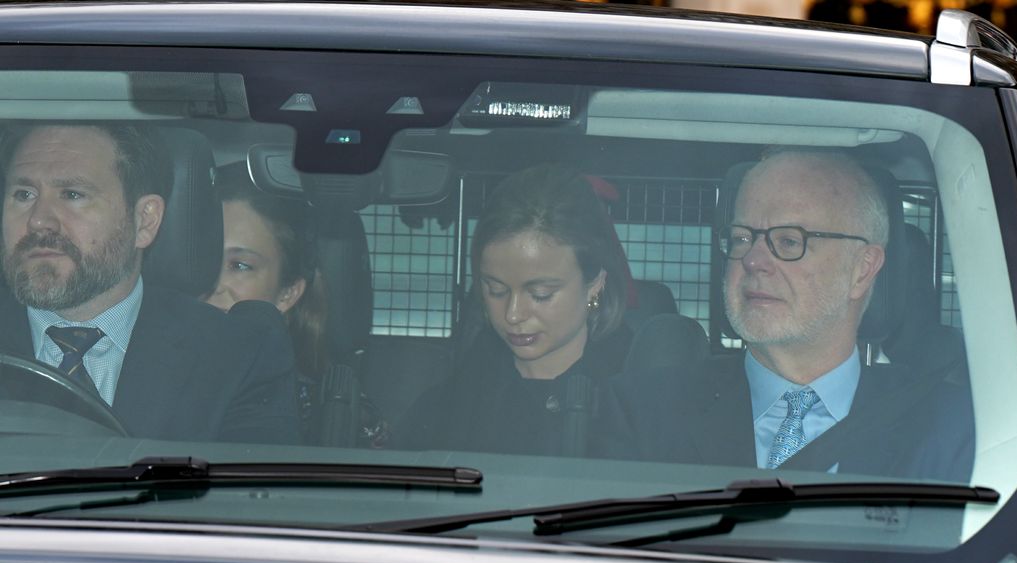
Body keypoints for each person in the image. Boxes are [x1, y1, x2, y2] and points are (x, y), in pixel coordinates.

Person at [593, 149, 974, 481]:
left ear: (862, 269)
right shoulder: (644, 411)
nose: (754, 260)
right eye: (742, 238)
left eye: (790, 241)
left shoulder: (950, 427)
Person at [0, 123, 300, 444]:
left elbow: (251, 491)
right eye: (24, 194)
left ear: (145, 220)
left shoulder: (238, 358)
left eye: (73, 194)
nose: (39, 220)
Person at [396, 164, 633, 456]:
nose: (513, 314)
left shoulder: (636, 404)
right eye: (495, 290)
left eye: (540, 294)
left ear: (595, 283)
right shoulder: (447, 406)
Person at [204, 164, 386, 446]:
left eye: (239, 265)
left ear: (287, 293)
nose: (212, 283)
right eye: (203, 259)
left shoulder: (332, 417)